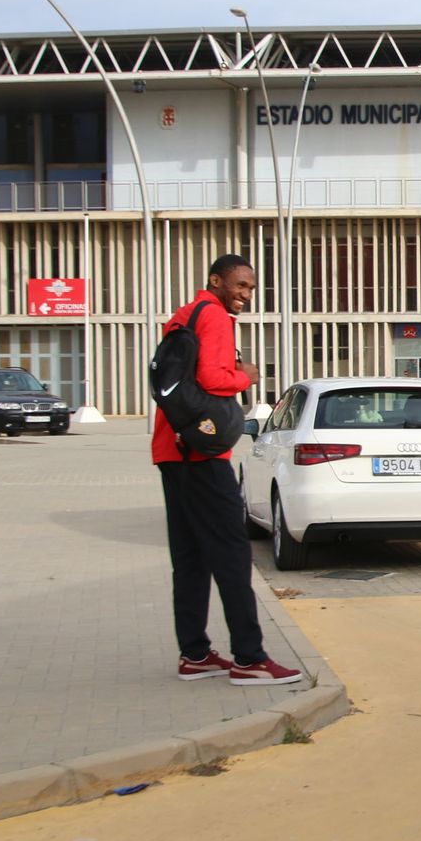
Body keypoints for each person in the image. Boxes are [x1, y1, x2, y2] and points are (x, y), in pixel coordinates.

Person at [154, 254, 302, 686]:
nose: (245, 295)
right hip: (202, 456)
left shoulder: (183, 316)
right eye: (239, 284)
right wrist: (245, 375)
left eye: (251, 288)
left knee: (189, 557)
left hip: (171, 448)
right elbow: (213, 377)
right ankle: (250, 659)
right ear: (215, 280)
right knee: (233, 555)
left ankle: (195, 654)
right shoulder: (215, 318)